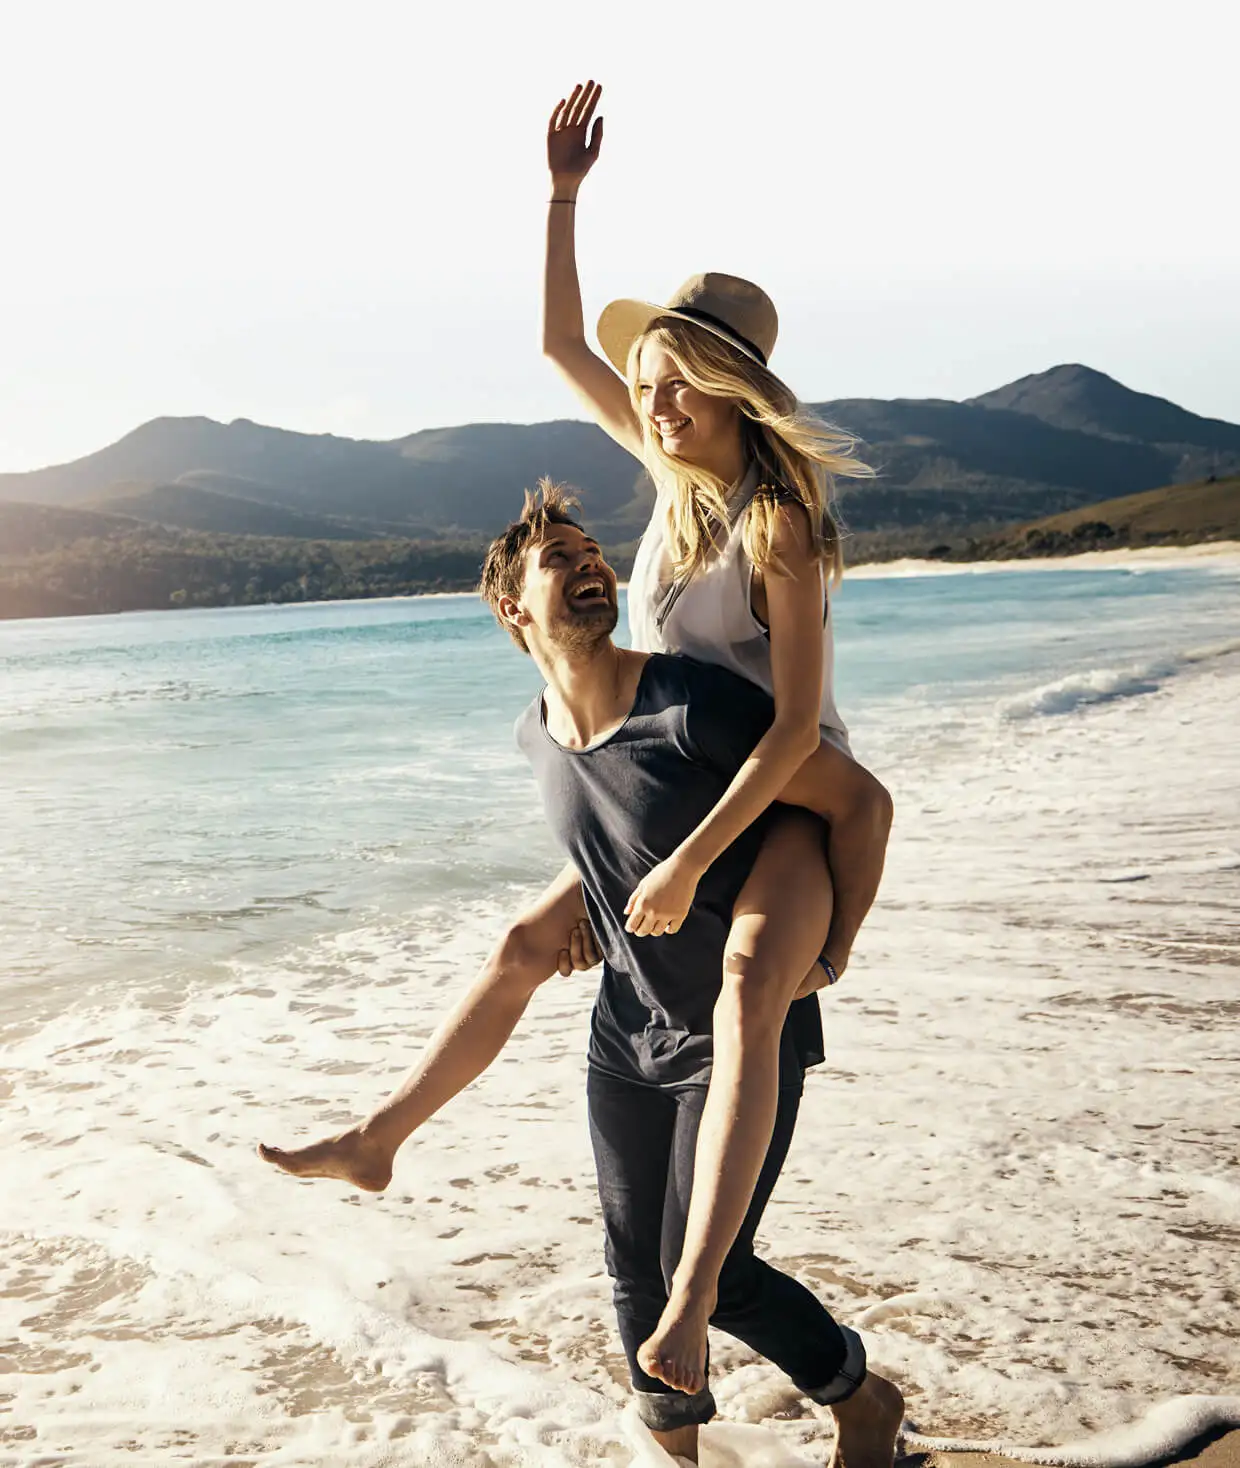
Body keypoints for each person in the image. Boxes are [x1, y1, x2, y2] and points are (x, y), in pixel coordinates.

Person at [259, 77, 893, 1402]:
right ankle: (381, 1137)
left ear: (735, 395)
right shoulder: (671, 476)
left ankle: (704, 1295)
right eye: (651, 386)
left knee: (745, 995)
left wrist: (687, 876)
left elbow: (792, 738)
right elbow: (561, 346)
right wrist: (559, 201)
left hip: (780, 799)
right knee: (518, 943)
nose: (655, 407)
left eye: (681, 388)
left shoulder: (779, 525)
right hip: (685, 779)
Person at [265, 489, 904, 1466]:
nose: (590, 563)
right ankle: (377, 1138)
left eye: (592, 548)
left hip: (742, 1028)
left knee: (715, 1273)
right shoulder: (537, 737)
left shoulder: (695, 705)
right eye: (560, 558)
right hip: (628, 1028)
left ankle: (859, 1398)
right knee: (631, 1272)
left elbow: (859, 804)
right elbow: (609, 852)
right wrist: (588, 922)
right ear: (511, 608)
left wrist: (835, 948)